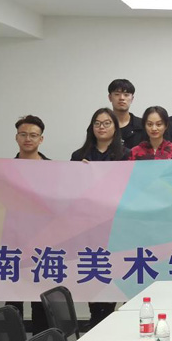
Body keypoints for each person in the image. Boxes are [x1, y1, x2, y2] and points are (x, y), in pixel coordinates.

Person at [70, 108, 129, 328]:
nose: (101, 127)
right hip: (88, 224)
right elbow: (69, 187)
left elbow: (130, 185)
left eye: (106, 123)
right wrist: (81, 172)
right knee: (92, 270)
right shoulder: (79, 155)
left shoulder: (125, 154)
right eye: (97, 123)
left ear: (115, 127)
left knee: (113, 270)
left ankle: (109, 319)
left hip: (117, 223)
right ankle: (95, 319)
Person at [8, 115, 49, 334]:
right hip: (13, 241)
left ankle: (41, 339)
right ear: (16, 137)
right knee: (12, 297)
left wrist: (85, 171)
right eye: (23, 134)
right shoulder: (4, 169)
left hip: (44, 243)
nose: (28, 139)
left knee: (41, 299)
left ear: (41, 139)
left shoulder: (54, 168)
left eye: (33, 135)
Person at [108, 79, 143, 149]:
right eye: (117, 94)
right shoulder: (101, 126)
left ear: (132, 98)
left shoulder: (142, 125)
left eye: (126, 95)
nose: (121, 98)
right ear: (110, 97)